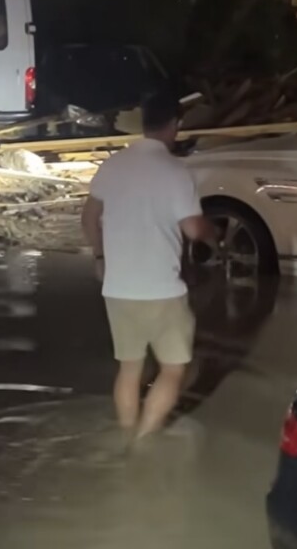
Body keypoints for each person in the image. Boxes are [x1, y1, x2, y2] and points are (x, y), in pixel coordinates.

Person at [81, 91, 214, 441]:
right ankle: (144, 442)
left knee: (129, 369)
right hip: (162, 289)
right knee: (173, 369)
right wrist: (213, 233)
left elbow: (89, 218)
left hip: (118, 287)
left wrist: (100, 257)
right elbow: (193, 229)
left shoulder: (113, 165)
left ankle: (126, 437)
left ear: (143, 123)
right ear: (175, 125)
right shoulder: (175, 170)